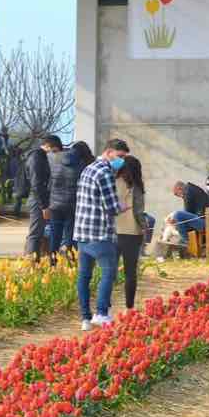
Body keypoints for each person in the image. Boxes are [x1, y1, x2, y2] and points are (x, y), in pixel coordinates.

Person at [73, 137, 129, 331]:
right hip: (99, 232)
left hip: (81, 231)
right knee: (108, 272)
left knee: (84, 275)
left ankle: (85, 318)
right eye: (119, 156)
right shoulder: (104, 173)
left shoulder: (87, 169)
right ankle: (102, 312)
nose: (121, 161)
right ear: (109, 152)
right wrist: (124, 205)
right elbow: (112, 207)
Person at [47, 140, 94, 259]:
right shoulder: (82, 164)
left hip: (55, 203)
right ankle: (70, 261)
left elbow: (50, 183)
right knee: (70, 235)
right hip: (72, 204)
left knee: (54, 235)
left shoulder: (56, 160)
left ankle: (53, 262)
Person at [23, 134, 63, 257]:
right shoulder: (36, 157)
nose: (54, 154)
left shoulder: (40, 156)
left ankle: (35, 260)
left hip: (39, 199)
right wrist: (44, 206)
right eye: (54, 151)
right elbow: (37, 184)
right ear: (48, 146)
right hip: (37, 200)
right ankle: (31, 262)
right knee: (35, 233)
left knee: (39, 232)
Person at [115, 155, 145, 309]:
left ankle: (104, 309)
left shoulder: (112, 183)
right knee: (130, 273)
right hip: (132, 232)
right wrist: (144, 227)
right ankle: (129, 308)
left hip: (113, 231)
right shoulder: (137, 187)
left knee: (109, 272)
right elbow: (139, 212)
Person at [165, 180, 209, 246]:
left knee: (178, 215)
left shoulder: (188, 192)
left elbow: (187, 212)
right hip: (204, 219)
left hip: (204, 222)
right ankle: (185, 241)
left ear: (179, 189)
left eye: (176, 194)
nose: (177, 196)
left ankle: (186, 243)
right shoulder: (190, 189)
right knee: (178, 220)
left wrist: (174, 220)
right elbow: (189, 213)